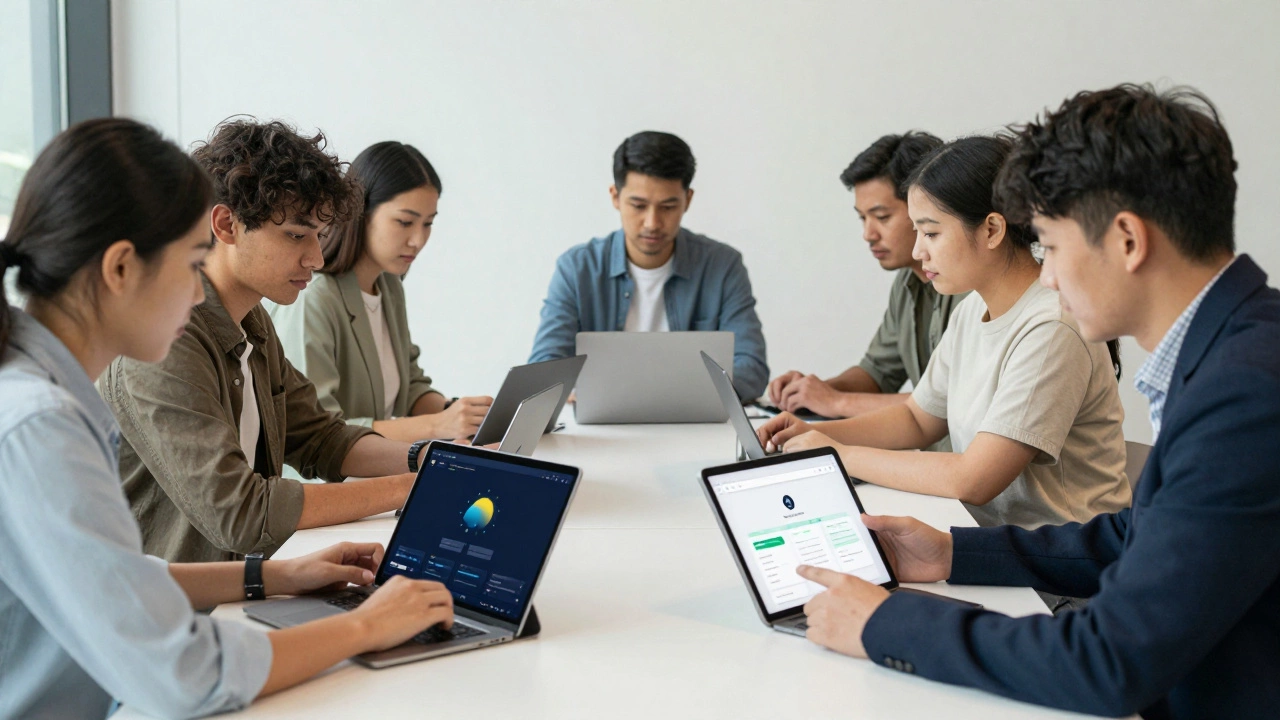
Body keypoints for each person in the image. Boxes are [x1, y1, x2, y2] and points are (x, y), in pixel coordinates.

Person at [789, 85, 1280, 719]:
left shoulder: (1246, 391)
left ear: (1127, 240)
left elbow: (1111, 663)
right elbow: (1140, 535)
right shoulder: (1231, 348)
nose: (1045, 275)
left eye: (1048, 243)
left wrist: (887, 624)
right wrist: (955, 553)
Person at [0, 118, 454, 720]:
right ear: (119, 269)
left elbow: (125, 579)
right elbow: (184, 674)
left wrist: (275, 576)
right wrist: (364, 629)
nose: (196, 294)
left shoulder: (46, 402)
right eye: (191, 265)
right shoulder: (40, 426)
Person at [759, 136, 1131, 533]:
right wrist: (812, 433)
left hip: (1059, 575)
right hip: (989, 543)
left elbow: (973, 479)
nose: (919, 251)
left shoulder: (1051, 327)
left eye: (931, 233)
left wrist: (837, 454)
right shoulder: (973, 308)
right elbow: (916, 419)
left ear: (991, 229)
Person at [99, 119, 430, 564]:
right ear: (226, 224)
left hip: (248, 586)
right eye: (297, 234)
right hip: (177, 617)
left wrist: (426, 460)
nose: (315, 258)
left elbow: (320, 438)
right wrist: (411, 487)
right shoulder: (164, 341)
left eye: (318, 235)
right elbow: (240, 514)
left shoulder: (251, 321)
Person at [270, 141, 492, 447]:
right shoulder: (313, 298)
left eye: (428, 224)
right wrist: (437, 426)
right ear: (360, 210)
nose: (418, 240)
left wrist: (463, 416)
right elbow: (315, 431)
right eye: (405, 222)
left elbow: (410, 385)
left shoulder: (389, 285)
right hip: (330, 484)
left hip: (380, 470)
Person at [528, 130, 768, 400]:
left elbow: (752, 369)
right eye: (638, 205)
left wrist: (637, 395)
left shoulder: (722, 266)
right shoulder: (577, 268)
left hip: (691, 430)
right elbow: (543, 370)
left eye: (667, 207)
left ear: (687, 200)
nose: (652, 222)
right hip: (603, 434)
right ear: (615, 197)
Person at [768, 131, 969, 428]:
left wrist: (837, 402)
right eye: (863, 218)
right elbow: (877, 374)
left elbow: (956, 401)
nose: (868, 234)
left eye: (882, 216)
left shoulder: (975, 285)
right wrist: (810, 391)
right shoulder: (906, 282)